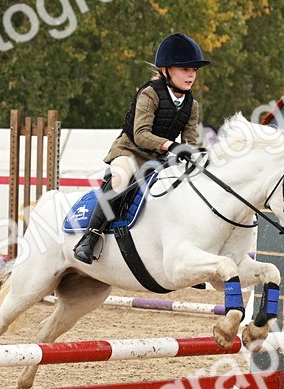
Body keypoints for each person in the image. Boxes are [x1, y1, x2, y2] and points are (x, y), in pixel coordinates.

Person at [73, 33, 208, 264]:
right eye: (185, 69)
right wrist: (172, 146)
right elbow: (141, 135)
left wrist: (194, 155)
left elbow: (191, 141)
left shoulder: (191, 105)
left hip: (158, 160)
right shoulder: (150, 94)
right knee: (121, 180)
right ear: (166, 70)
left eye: (194, 70)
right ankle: (90, 237)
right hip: (130, 151)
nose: (191, 75)